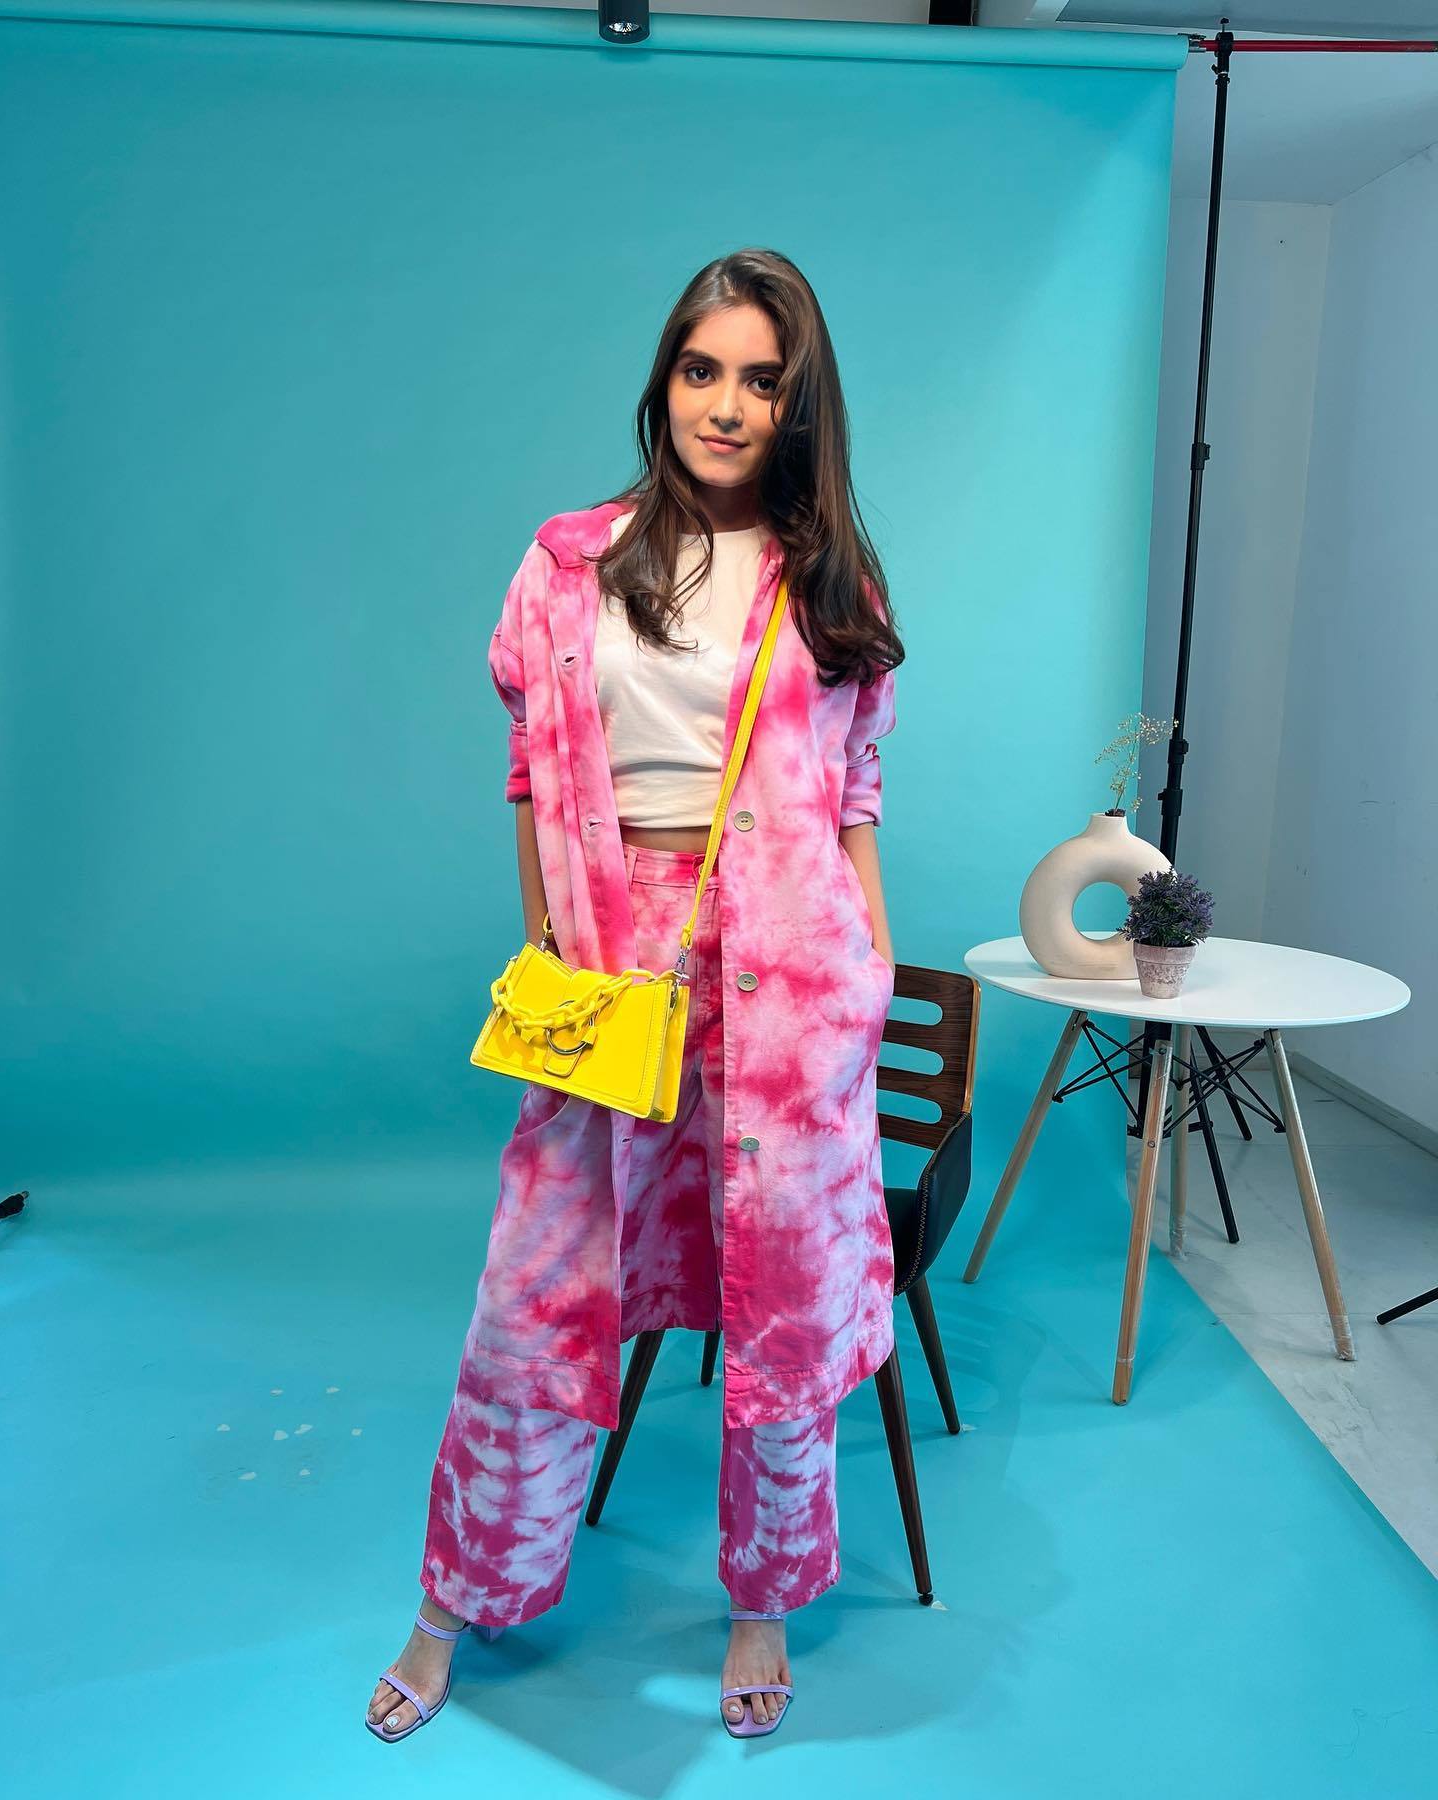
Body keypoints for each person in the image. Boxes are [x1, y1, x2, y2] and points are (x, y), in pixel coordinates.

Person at [367, 248, 904, 1742]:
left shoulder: (829, 582)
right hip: (617, 963)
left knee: (780, 1306)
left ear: (800, 408)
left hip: (794, 990)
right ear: (663, 380)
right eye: (701, 369)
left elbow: (857, 793)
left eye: (762, 380)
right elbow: (532, 775)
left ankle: (764, 1597)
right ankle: (452, 1602)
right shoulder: (570, 564)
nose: (726, 405)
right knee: (541, 1291)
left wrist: (867, 970)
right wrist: (550, 954)